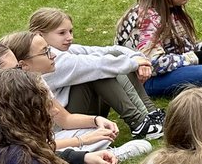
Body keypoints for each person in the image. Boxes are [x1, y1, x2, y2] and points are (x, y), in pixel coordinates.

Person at [0, 41, 127, 164]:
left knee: (100, 135)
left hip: (48, 153)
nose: (20, 73)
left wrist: (82, 157)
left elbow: (32, 152)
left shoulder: (9, 105)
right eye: (13, 70)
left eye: (18, 67)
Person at [28, 7, 163, 140]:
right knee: (97, 71)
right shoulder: (53, 58)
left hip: (82, 112)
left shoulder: (65, 51)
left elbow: (111, 51)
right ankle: (138, 122)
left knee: (109, 60)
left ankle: (150, 113)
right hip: (64, 124)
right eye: (62, 33)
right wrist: (135, 63)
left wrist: (137, 58)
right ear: (40, 35)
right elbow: (98, 65)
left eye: (70, 31)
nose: (70, 37)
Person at [1, 30, 122, 154]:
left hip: (51, 140)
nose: (53, 55)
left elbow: (65, 119)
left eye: (49, 49)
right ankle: (97, 156)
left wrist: (96, 120)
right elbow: (31, 146)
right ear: (23, 65)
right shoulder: (11, 94)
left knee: (100, 133)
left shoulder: (38, 80)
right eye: (45, 52)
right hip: (32, 151)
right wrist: (82, 140)